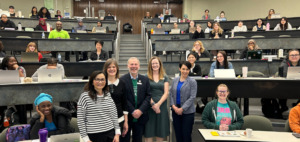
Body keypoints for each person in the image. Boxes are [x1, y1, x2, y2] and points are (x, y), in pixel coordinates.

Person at [77, 71, 121, 142]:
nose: (100, 82)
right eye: (97, 79)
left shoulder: (107, 95)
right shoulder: (85, 97)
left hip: (110, 133)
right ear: (92, 82)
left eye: (102, 79)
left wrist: (117, 133)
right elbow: (80, 120)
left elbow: (114, 114)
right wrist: (86, 139)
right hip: (94, 135)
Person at [120, 57, 151, 142]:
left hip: (141, 117)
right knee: (124, 139)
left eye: (136, 64)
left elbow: (148, 96)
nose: (134, 66)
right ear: (128, 66)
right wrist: (133, 111)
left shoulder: (145, 79)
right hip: (127, 117)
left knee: (138, 139)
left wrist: (140, 110)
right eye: (131, 64)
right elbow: (123, 98)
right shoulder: (122, 80)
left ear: (139, 66)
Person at [170, 61, 197, 142]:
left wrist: (182, 109)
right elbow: (171, 94)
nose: (185, 71)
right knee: (178, 135)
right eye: (183, 69)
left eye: (187, 69)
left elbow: (192, 97)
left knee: (186, 136)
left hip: (188, 113)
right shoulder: (175, 80)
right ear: (179, 69)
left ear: (189, 70)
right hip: (175, 111)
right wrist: (173, 106)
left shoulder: (192, 82)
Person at [144, 57, 170, 142]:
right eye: (153, 63)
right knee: (149, 131)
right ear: (150, 65)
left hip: (161, 106)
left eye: (156, 63)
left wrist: (158, 105)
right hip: (149, 106)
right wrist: (153, 105)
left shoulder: (165, 76)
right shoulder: (146, 76)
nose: (155, 65)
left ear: (160, 64)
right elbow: (146, 93)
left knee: (160, 130)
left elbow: (166, 93)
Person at [103, 58, 129, 141]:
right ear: (106, 69)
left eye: (113, 67)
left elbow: (125, 103)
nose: (111, 69)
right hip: (104, 120)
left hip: (119, 119)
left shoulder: (122, 83)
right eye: (109, 67)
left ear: (117, 68)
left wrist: (126, 121)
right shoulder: (101, 82)